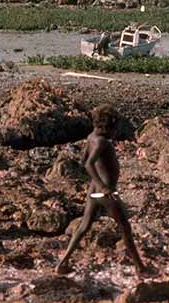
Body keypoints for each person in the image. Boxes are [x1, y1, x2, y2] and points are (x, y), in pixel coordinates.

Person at [56, 105, 149, 275]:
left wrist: (96, 182)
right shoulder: (102, 142)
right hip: (105, 192)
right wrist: (104, 186)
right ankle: (140, 268)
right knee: (125, 228)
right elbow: (88, 163)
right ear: (109, 126)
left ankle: (63, 262)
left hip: (93, 190)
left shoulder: (91, 137)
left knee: (84, 226)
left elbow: (83, 158)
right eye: (115, 128)